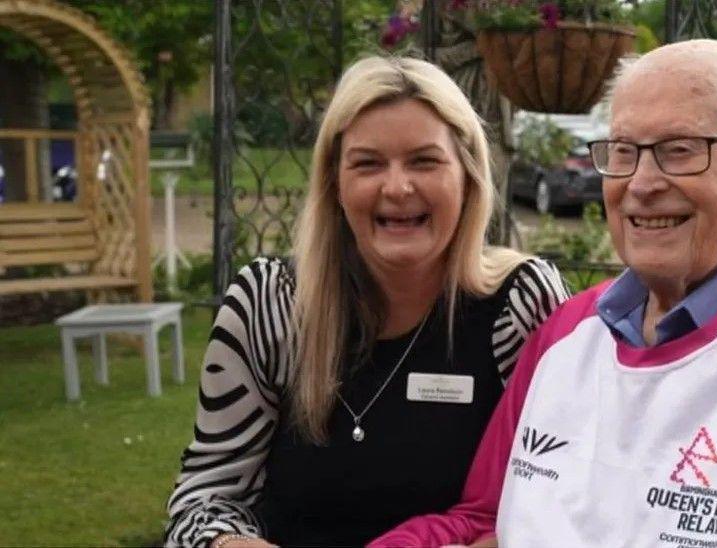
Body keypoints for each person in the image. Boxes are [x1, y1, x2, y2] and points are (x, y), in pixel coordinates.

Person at [371, 39, 717, 547]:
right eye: (623, 152)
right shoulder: (567, 331)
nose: (640, 183)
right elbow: (484, 521)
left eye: (680, 150)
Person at [164, 56, 570, 548]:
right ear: (335, 184)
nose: (397, 188)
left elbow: (562, 494)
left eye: (424, 160)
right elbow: (205, 500)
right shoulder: (270, 303)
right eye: (368, 163)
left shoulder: (520, 304)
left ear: (467, 176)